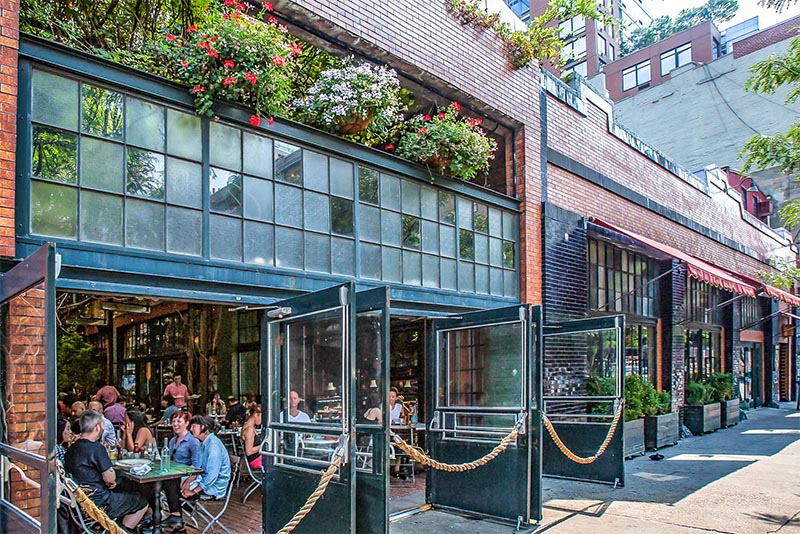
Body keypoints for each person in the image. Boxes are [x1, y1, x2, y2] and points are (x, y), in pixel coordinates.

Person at [65, 409, 149, 532]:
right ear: (97, 428)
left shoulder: (72, 448)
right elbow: (110, 478)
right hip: (100, 503)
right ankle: (121, 531)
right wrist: (112, 480)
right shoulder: (96, 448)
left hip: (80, 504)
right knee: (141, 501)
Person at [145, 411, 200, 531]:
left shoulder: (193, 442)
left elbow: (196, 467)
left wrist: (188, 479)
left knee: (171, 481)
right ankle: (157, 514)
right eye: (173, 421)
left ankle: (176, 516)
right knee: (148, 484)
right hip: (171, 474)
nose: (175, 424)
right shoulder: (172, 441)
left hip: (188, 476)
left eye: (178, 421)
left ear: (187, 423)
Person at [181, 416, 231, 500]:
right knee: (175, 482)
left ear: (203, 427)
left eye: (194, 426)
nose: (191, 429)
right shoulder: (204, 443)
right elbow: (197, 468)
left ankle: (176, 512)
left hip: (214, 488)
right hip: (203, 482)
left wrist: (193, 491)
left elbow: (211, 476)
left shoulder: (213, 446)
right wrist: (188, 481)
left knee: (173, 487)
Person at [241, 405, 263, 470]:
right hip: (256, 460)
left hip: (257, 458)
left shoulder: (247, 426)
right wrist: (263, 446)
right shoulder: (249, 430)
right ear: (256, 415)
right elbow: (249, 451)